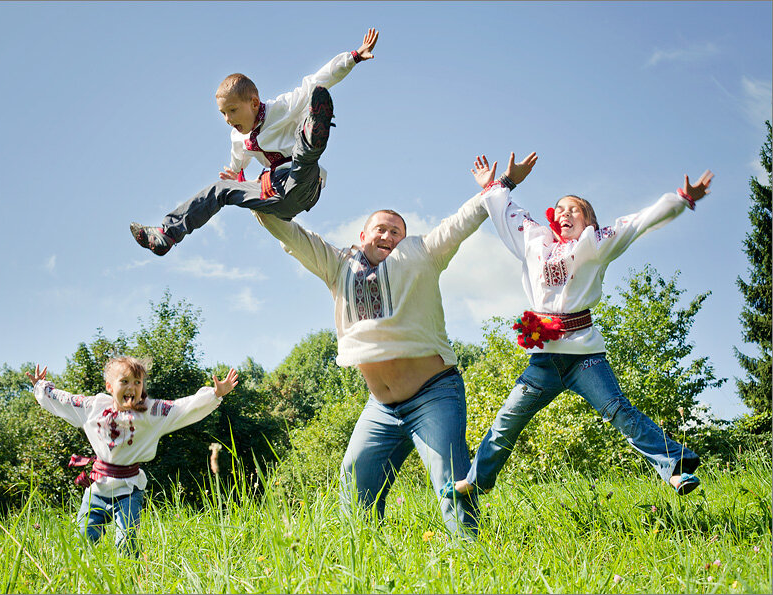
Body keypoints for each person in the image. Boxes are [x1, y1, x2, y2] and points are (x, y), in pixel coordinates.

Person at [252, 151, 538, 538]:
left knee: (450, 482)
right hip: (381, 408)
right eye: (381, 229)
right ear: (363, 236)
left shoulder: (423, 253)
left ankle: (472, 560)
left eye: (396, 231)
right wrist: (253, 193)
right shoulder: (337, 265)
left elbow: (462, 221)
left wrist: (502, 183)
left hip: (434, 395)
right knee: (355, 485)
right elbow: (292, 236)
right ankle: (364, 564)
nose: (388, 235)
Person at [441, 153, 712, 501]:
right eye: (561, 209)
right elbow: (506, 211)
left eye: (575, 209)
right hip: (543, 362)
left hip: (585, 356)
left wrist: (681, 199)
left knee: (619, 412)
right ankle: (478, 480)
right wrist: (497, 184)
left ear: (589, 221)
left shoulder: (595, 243)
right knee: (506, 421)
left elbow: (636, 222)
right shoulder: (534, 240)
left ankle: (675, 470)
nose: (566, 213)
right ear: (553, 219)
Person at [130, 27, 379, 256]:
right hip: (273, 195)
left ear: (254, 103)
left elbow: (316, 80)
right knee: (219, 189)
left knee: (303, 154)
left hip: (302, 181)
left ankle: (314, 129)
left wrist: (354, 56)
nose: (228, 119)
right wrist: (236, 177)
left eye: (233, 111)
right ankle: (167, 235)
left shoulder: (281, 108)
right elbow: (237, 163)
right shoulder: (237, 136)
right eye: (223, 113)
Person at [27, 356, 238, 557]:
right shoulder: (94, 407)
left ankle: (132, 579)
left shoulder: (152, 412)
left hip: (129, 489)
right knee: (82, 540)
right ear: (110, 387)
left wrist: (214, 394)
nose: (132, 387)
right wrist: (42, 388)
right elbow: (66, 400)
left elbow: (182, 407)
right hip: (98, 488)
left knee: (126, 541)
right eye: (124, 381)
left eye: (137, 382)